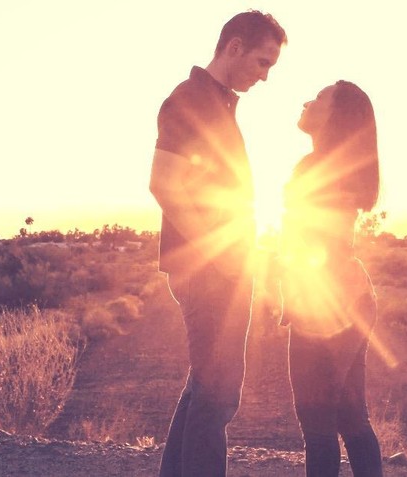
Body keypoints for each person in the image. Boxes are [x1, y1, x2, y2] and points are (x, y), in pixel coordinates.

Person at [148, 10, 286, 477]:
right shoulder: (189, 100)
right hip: (209, 271)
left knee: (203, 389)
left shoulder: (219, 104)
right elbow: (165, 183)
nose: (265, 76)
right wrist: (217, 255)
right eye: (263, 62)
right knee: (220, 393)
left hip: (224, 267)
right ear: (234, 47)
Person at [279, 81, 384, 477]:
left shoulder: (319, 170)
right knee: (351, 417)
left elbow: (320, 241)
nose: (307, 100)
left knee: (318, 422)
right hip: (349, 298)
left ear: (335, 116)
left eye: (319, 97)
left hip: (327, 304)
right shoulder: (338, 169)